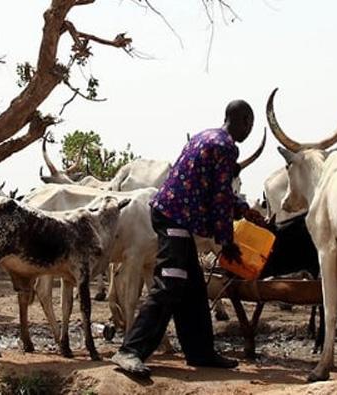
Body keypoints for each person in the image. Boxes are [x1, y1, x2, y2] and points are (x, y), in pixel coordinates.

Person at [111, 99, 264, 377]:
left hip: (172, 214)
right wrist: (227, 243)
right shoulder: (226, 146)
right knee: (169, 284)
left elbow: (214, 190)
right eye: (249, 124)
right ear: (241, 120)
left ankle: (200, 352)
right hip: (176, 218)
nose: (249, 130)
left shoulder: (205, 136)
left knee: (192, 289)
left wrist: (243, 210)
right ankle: (129, 350)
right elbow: (218, 197)